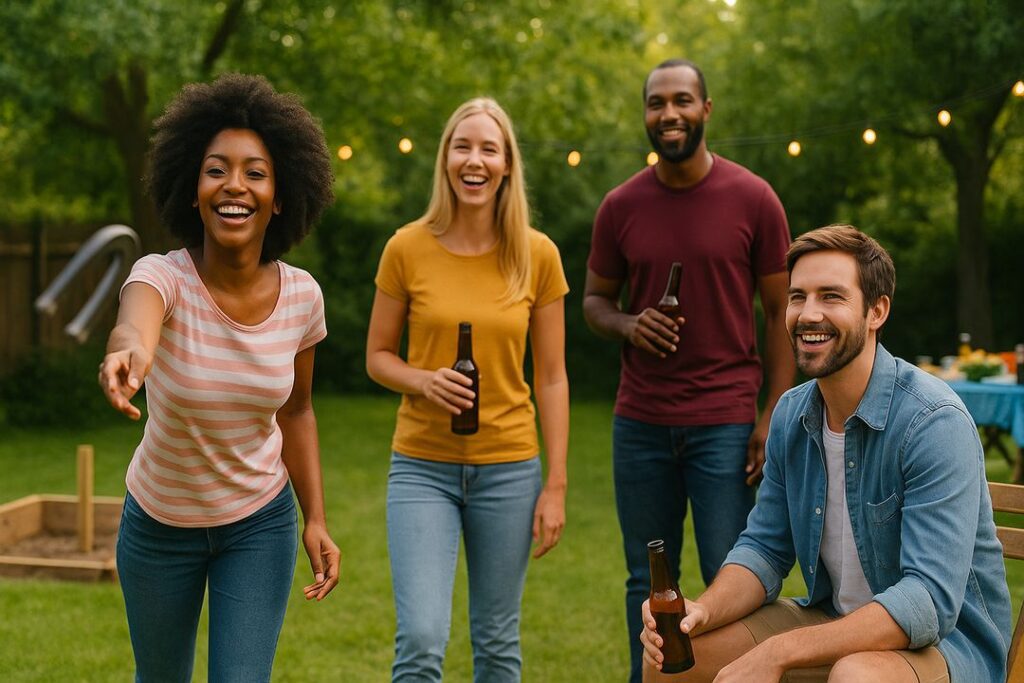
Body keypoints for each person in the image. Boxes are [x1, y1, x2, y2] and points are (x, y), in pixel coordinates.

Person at [640, 225, 1011, 682]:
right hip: (834, 622)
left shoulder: (933, 422)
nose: (808, 314)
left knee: (858, 677)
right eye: (798, 297)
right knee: (676, 660)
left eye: (831, 296)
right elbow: (763, 548)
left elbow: (927, 601)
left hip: (948, 647)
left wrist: (783, 650)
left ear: (876, 311)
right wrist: (702, 610)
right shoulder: (791, 415)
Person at [98, 73, 340, 682]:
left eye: (255, 172)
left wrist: (315, 517)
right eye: (217, 170)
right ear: (193, 188)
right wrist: (127, 355)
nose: (235, 185)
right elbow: (136, 325)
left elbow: (297, 411)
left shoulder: (302, 297)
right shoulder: (164, 277)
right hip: (158, 525)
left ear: (280, 195)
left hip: (257, 524)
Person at [582, 58, 795, 681]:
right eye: (655, 103)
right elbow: (595, 303)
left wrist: (772, 411)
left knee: (734, 575)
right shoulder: (621, 206)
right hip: (640, 423)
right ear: (645, 114)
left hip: (725, 423)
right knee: (644, 581)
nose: (667, 114)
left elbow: (781, 308)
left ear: (706, 109)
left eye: (681, 100)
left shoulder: (753, 198)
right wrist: (629, 323)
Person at [365, 97, 569, 683]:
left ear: (507, 164)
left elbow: (552, 376)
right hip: (421, 467)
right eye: (462, 146)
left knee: (497, 639)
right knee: (423, 639)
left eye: (488, 148)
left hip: (509, 469)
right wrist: (422, 380)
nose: (473, 160)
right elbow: (377, 357)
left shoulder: (537, 255)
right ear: (445, 160)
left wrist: (554, 485)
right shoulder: (407, 246)